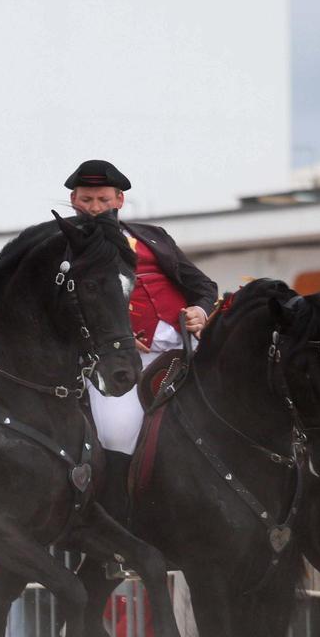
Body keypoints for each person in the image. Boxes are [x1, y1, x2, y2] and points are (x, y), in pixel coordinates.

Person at [63, 160, 218, 521]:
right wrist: (111, 337)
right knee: (118, 432)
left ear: (119, 200)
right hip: (119, 360)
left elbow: (202, 285)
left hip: (185, 349)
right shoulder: (61, 245)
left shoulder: (153, 236)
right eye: (87, 199)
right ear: (73, 200)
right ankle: (122, 519)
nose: (95, 208)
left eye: (103, 199)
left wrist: (201, 309)